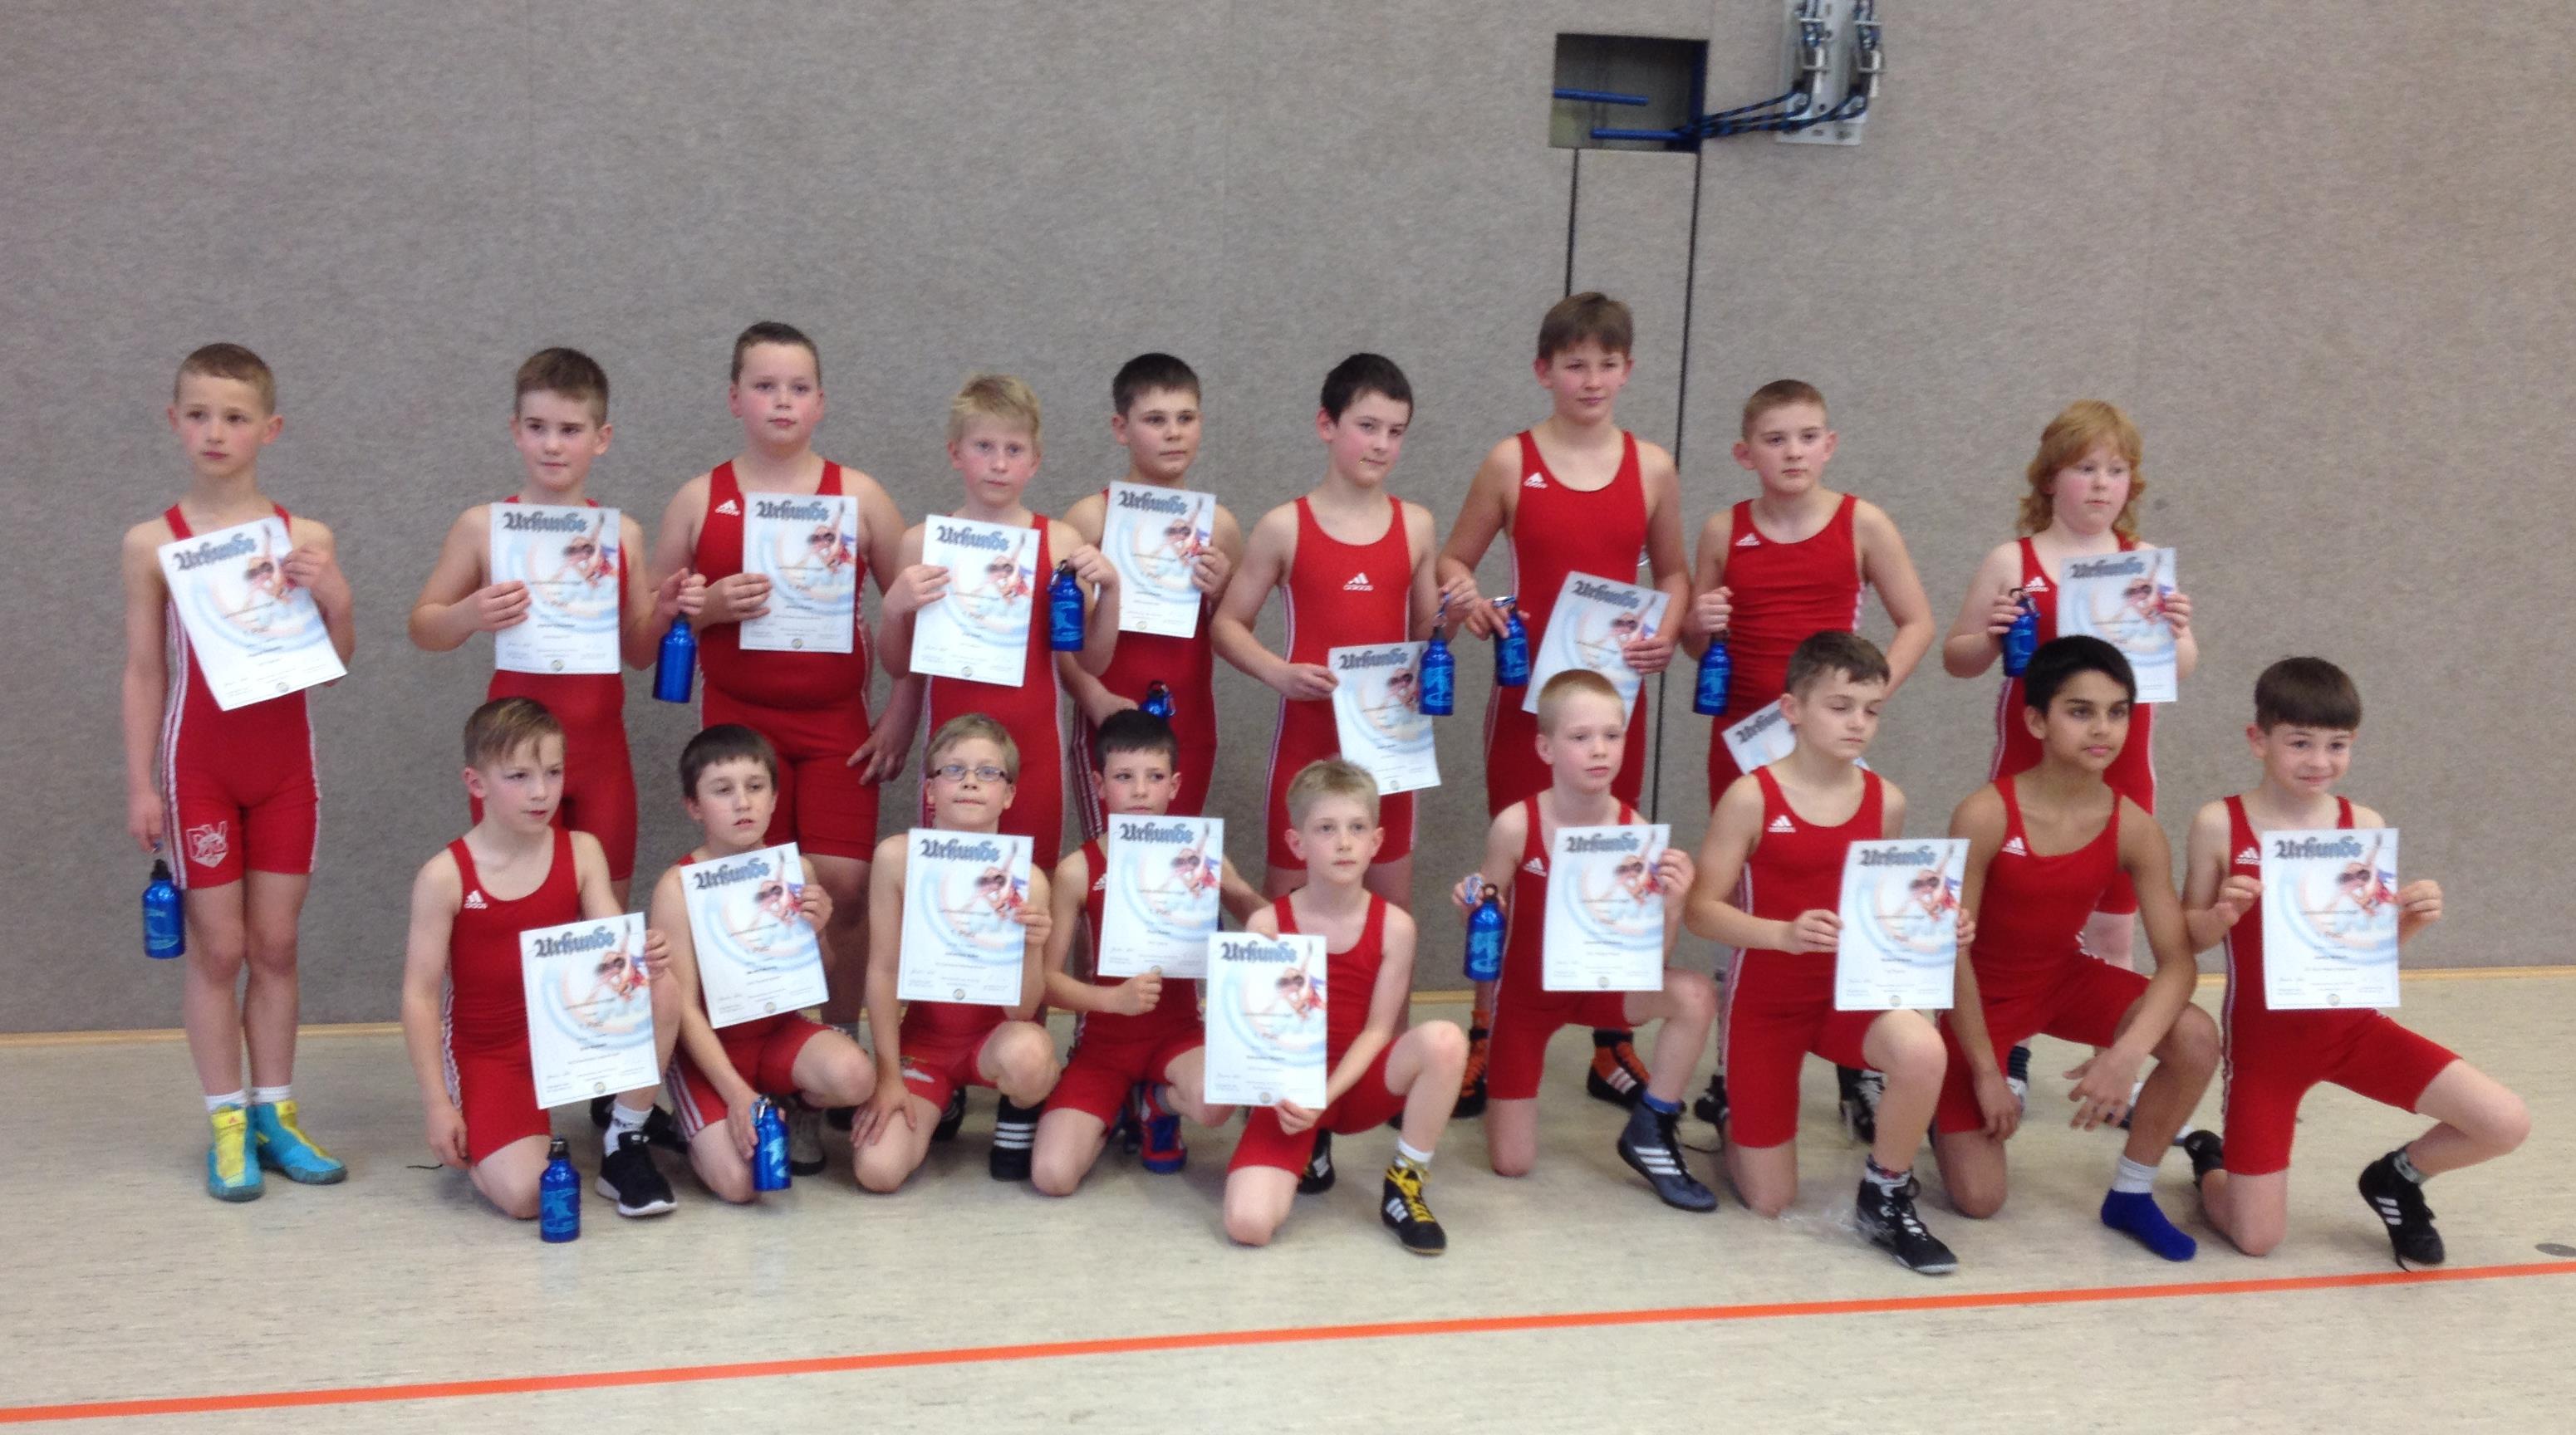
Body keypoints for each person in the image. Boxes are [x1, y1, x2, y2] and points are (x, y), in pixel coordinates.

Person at [1432, 293, 1693, 1117]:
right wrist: (1469, 599)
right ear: (1543, 371)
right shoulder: (1510, 461)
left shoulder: (1651, 466)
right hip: (1528, 705)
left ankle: (1609, 1037)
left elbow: (1673, 573)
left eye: (1606, 364)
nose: (1591, 380)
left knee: (1610, 861)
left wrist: (1666, 632)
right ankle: (1487, 1028)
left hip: (1614, 706)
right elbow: (1451, 560)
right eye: (1574, 364)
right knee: (1511, 867)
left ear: (1628, 370)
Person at [2176, 658, 2527, 1263]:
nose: (2319, 760)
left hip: (2353, 1031)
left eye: (2336, 745)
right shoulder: (2218, 823)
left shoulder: (2361, 824)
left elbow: (2364, 955)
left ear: (2353, 744)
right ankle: (2212, 1164)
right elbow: (2186, 937)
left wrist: (2410, 921)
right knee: (2257, 1238)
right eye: (2299, 743)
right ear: (2258, 739)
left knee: (2504, 1122)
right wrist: (2222, 915)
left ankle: (2397, 1177)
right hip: (2265, 1050)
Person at [120, 344, 357, 1201]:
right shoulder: (152, 543)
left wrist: (335, 596)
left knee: (277, 945)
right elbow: (144, 670)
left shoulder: (305, 538)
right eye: (198, 415)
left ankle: (276, 1113)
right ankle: (227, 1121)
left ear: (270, 428)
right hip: (200, 769)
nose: (215, 432)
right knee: (219, 950)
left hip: (285, 768)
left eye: (234, 416)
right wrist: (142, 783)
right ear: (174, 421)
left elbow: (335, 663)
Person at [1677, 380, 1936, 1136]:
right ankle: (1735, 1063)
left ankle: (1857, 1061)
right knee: (1748, 897)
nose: (1792, 452)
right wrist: (1698, 621)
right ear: (1744, 453)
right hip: (1744, 739)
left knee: (1845, 888)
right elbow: (1695, 646)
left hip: (1827, 742)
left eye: (1806, 436)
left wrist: (1862, 699)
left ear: (1829, 445)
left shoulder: (1863, 523)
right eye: (1775, 439)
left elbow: (1917, 621)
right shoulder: (1723, 529)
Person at [648, 322, 914, 1031]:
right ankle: (761, 1045)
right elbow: (641, 633)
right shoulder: (698, 499)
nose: (782, 401)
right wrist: (704, 610)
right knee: (749, 889)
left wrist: (902, 711)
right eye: (765, 386)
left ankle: (838, 1034)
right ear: (735, 398)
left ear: (821, 401)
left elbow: (920, 615)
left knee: (844, 889)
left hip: (836, 723)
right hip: (739, 722)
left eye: (798, 388)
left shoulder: (859, 495)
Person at [1930, 637, 2219, 1261]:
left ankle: (2132, 1193)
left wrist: (2126, 1053)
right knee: (1980, 1199)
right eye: (2081, 711)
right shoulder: (1984, 814)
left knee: (2195, 1037)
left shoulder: (2134, 827)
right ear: (2037, 721)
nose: (2103, 729)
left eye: (2117, 712)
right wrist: (1986, 1072)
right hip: (1977, 997)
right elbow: (1948, 953)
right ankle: (1938, 1103)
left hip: (2061, 980)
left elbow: (2176, 963)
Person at [1682, 633, 1960, 1273]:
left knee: (1922, 1049)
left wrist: (1938, 925)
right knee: (1769, 1201)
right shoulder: (1751, 796)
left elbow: (1885, 907)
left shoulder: (1886, 800)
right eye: (1839, 707)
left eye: (1870, 709)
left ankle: (1884, 1192)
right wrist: (1780, 934)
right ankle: (1729, 1111)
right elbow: (1700, 910)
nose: (1857, 723)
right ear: (1792, 709)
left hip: (1845, 998)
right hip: (1766, 1005)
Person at [1938, 400, 2197, 988]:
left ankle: (2114, 1035)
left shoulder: (2144, 562)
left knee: (2112, 932)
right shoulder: (2012, 560)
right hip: (2030, 762)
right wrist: (1990, 636)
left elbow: (2179, 668)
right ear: (2050, 478)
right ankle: (2004, 1035)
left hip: (2120, 768)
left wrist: (2176, 632)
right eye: (2085, 468)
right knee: (2007, 924)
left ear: (2131, 483)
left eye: (2116, 470)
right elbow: (1957, 659)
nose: (2101, 484)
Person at [397, 699, 681, 1219]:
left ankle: (624, 1138)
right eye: (519, 776)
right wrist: (437, 1103)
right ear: (476, 783)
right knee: (532, 1197)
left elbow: (612, 952)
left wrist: (644, 953)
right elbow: (419, 996)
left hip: (567, 1030)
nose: (541, 792)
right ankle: (490, 1136)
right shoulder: (444, 876)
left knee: (660, 985)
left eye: (553, 773)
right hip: (493, 1052)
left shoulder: (583, 850)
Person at [1451, 671, 1715, 1210]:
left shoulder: (1635, 832)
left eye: (1612, 736)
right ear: (1545, 748)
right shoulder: (1516, 825)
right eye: (1580, 737)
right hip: (1527, 999)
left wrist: (1672, 905)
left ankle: (1653, 1124)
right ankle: (1501, 1072)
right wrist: (1472, 907)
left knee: (1693, 995)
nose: (1599, 750)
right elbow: (1487, 920)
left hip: (1604, 989)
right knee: (1511, 1163)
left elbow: (1650, 962)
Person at [408, 347, 665, 904]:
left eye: (570, 430)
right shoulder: (482, 527)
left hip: (600, 756)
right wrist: (468, 614)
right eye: (537, 427)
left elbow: (639, 652)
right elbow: (423, 627)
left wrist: (664, 611)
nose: (552, 445)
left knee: (604, 922)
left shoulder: (623, 535)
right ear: (515, 431)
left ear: (601, 438)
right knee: (520, 910)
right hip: (511, 754)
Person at [1212, 355, 1440, 904]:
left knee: (1390, 914)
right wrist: (1278, 673)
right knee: (1291, 919)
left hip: (1388, 747)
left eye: (1395, 432)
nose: (1381, 445)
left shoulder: (1417, 525)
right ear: (1326, 425)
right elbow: (1226, 625)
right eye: (1367, 427)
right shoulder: (1284, 526)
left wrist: (1451, 620)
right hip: (1307, 739)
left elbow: (1427, 636)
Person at [877, 375, 1121, 874]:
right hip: (951, 755)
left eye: (1014, 449)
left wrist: (1112, 593)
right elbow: (898, 665)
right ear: (955, 453)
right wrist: (893, 609)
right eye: (984, 446)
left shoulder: (1060, 542)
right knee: (948, 888)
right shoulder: (922, 543)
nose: (999, 463)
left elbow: (1093, 661)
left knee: (1034, 888)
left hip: (1034, 750)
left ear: (1035, 461)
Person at [1222, 760, 1468, 1253]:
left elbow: (1378, 1031)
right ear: (1297, 844)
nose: (1344, 843)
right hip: (1291, 1097)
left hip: (1356, 1084)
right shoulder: (1267, 926)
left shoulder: (1396, 927)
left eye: (1357, 828)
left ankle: (1405, 1183)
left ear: (1377, 842)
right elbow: (1257, 1035)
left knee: (1445, 1040)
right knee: (1248, 1225)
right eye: (1326, 829)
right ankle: (1312, 1146)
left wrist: (1326, 1094)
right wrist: (1284, 1097)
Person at [1030, 711, 1264, 1194]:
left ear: (1174, 785)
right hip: (1104, 1046)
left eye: (1155, 777)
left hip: (1178, 1035)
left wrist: (1236, 889)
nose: (1140, 791)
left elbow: (1270, 929)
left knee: (1218, 1100)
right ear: (1099, 785)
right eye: (1124, 777)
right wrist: (1111, 1000)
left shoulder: (1200, 854)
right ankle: (1116, 1109)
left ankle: (1157, 1104)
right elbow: (1046, 981)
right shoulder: (1078, 869)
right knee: (1052, 1176)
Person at [650, 725, 881, 1201]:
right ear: (694, 807)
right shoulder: (677, 886)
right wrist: (735, 1093)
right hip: (708, 1053)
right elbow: (683, 1009)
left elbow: (819, 978)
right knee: (740, 1186)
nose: (743, 803)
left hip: (776, 1033)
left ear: (774, 798)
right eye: (722, 790)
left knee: (857, 1076)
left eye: (755, 787)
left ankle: (794, 1102)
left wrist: (819, 933)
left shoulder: (795, 870)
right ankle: (692, 1126)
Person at [851, 717, 1062, 1190]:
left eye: (988, 772)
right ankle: (942, 1101)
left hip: (994, 1042)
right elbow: (882, 971)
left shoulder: (1028, 880)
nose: (970, 781)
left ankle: (1020, 1108)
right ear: (930, 790)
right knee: (878, 1172)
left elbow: (1023, 1010)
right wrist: (888, 1076)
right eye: (953, 770)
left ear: (1009, 794)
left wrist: (1032, 947)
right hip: (924, 1045)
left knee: (1030, 1056)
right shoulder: (897, 859)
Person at [1061, 355, 1240, 830]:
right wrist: (1093, 697)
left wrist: (1222, 591)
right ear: (1121, 428)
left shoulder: (1220, 527)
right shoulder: (1089, 519)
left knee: (1171, 859)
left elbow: (1233, 631)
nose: (1173, 433)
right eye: (1155, 420)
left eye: (1186, 418)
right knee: (1111, 861)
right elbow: (1057, 637)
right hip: (1111, 712)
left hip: (1190, 721)